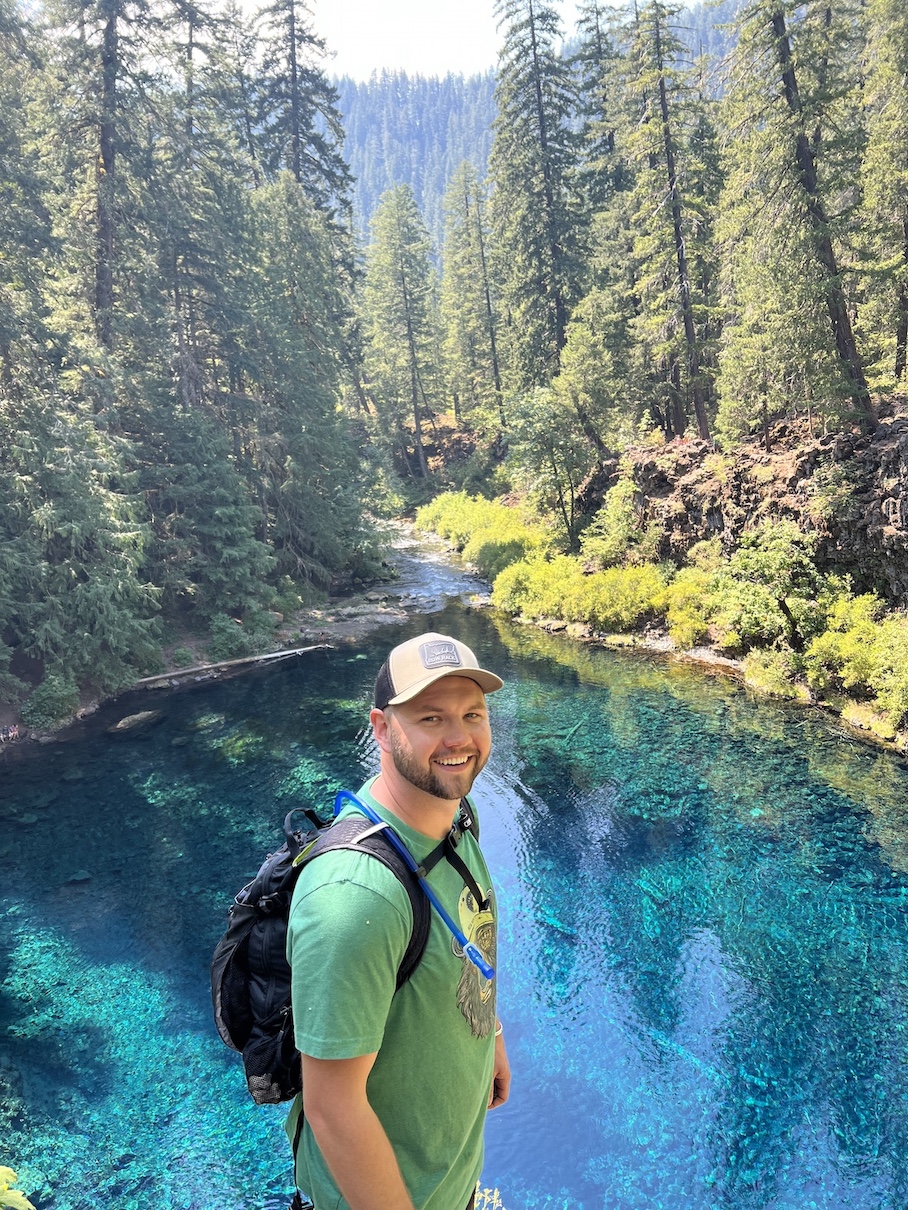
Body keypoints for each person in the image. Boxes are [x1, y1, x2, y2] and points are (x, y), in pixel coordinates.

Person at [285, 632, 511, 1210]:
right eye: (431, 717)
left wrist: (490, 1034)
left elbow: (467, 935)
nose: (459, 738)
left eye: (472, 714)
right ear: (381, 729)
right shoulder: (354, 896)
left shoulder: (456, 819)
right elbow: (333, 1108)